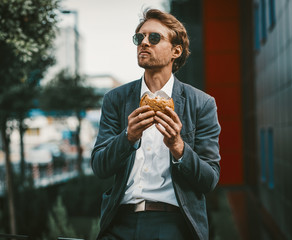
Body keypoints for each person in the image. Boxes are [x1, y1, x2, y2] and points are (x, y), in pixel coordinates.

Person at [91, 9, 221, 240]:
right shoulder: (116, 99)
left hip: (172, 223)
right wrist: (127, 137)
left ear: (176, 51)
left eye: (153, 38)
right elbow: (100, 167)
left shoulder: (201, 104)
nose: (144, 43)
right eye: (139, 38)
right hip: (120, 221)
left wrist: (178, 147)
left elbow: (209, 179)